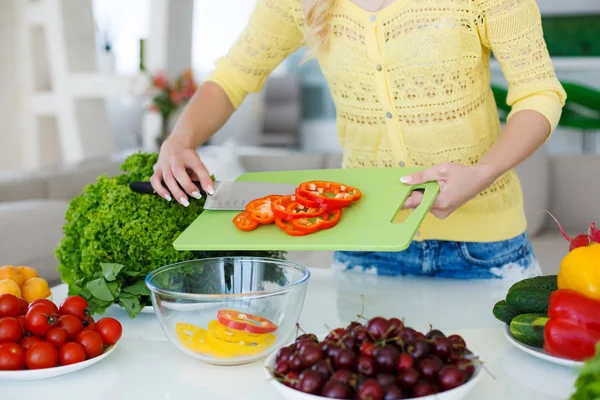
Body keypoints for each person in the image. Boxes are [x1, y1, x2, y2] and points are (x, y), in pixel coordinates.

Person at [151, 0, 566, 279]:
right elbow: (232, 76)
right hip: (365, 243)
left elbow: (539, 91)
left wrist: (482, 173)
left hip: (485, 248)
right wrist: (179, 139)